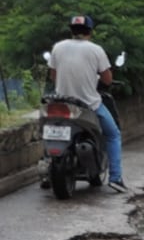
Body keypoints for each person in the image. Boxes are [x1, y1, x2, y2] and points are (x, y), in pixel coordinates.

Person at [47, 14, 125, 193]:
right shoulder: (96, 50)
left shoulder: (58, 47)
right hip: (89, 105)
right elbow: (107, 79)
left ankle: (46, 173)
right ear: (89, 31)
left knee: (49, 130)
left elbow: (53, 76)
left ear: (71, 30)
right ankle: (116, 178)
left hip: (62, 103)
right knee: (113, 135)